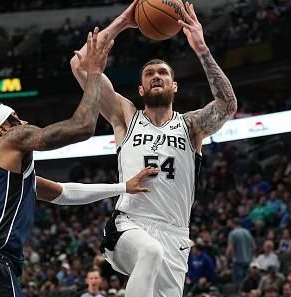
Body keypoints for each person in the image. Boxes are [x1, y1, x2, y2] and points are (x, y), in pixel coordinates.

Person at [0, 28, 158, 297]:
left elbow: (65, 194)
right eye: (17, 118)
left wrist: (122, 187)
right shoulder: (9, 140)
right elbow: (83, 126)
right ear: (3, 128)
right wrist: (95, 73)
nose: (25, 123)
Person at [70, 1, 238, 296]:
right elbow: (80, 65)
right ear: (141, 89)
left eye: (163, 73)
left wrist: (202, 49)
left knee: (157, 258)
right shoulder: (126, 116)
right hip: (130, 224)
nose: (156, 76)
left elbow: (228, 106)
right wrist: (123, 21)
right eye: (149, 74)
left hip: (175, 235)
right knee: (149, 251)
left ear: (175, 87)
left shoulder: (190, 125)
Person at [226, 217, 255, 291]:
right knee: (246, 283)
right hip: (248, 261)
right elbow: (253, 247)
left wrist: (227, 259)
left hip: (238, 261)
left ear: (233, 224)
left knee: (238, 284)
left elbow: (230, 248)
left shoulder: (233, 233)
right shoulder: (247, 232)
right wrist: (252, 258)